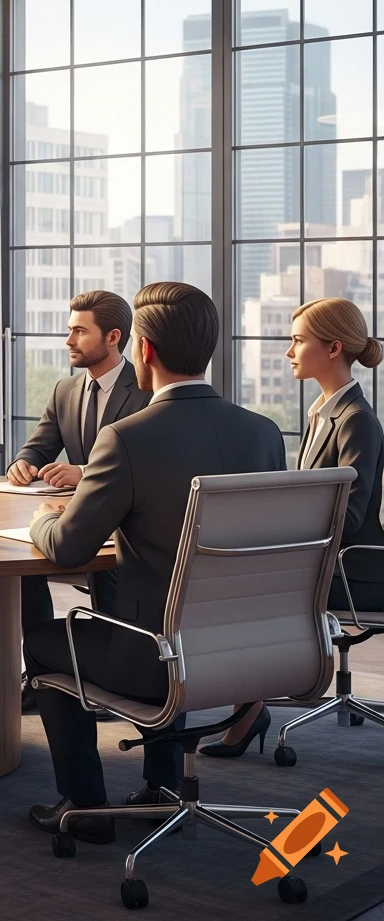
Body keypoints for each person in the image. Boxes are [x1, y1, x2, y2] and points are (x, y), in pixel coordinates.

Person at [23, 282, 285, 844]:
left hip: (157, 660)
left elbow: (68, 548)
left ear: (142, 350)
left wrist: (40, 520)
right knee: (183, 615)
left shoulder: (126, 438)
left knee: (46, 640)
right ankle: (161, 787)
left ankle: (86, 807)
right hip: (254, 650)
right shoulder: (264, 434)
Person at [201, 296, 384, 758]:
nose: (289, 351)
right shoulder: (323, 412)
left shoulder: (357, 421)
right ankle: (249, 706)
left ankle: (249, 711)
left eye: (298, 340)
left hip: (354, 573)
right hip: (326, 562)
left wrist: (283, 547)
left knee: (249, 593)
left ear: (333, 348)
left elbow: (352, 516)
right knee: (236, 585)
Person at [8, 291, 151, 708]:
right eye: (69, 330)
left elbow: (143, 463)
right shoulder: (65, 389)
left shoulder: (143, 390)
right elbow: (38, 447)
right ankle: (41, 678)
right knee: (26, 569)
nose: (68, 339)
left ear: (112, 337)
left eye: (78, 331)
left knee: (110, 572)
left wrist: (84, 472)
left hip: (124, 520)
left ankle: (109, 681)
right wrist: (23, 464)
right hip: (71, 516)